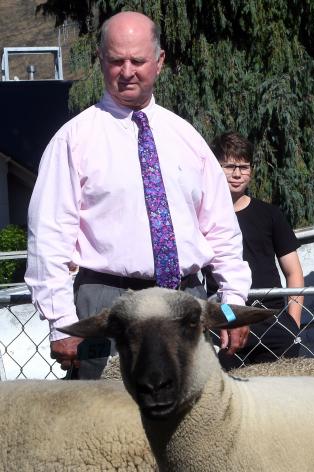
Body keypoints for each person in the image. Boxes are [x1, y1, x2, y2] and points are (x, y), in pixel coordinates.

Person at [25, 12, 251, 379]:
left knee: (191, 410)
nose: (127, 71)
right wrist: (62, 323)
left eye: (137, 60)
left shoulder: (187, 138)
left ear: (159, 62)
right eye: (116, 60)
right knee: (107, 412)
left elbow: (222, 230)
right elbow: (49, 238)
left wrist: (233, 306)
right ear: (101, 60)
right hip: (108, 309)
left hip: (186, 304)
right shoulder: (74, 140)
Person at [211, 131, 304, 366]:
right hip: (226, 319)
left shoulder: (270, 214)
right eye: (229, 166)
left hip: (271, 318)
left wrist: (292, 323)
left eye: (244, 167)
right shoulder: (204, 218)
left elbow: (293, 271)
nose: (237, 174)